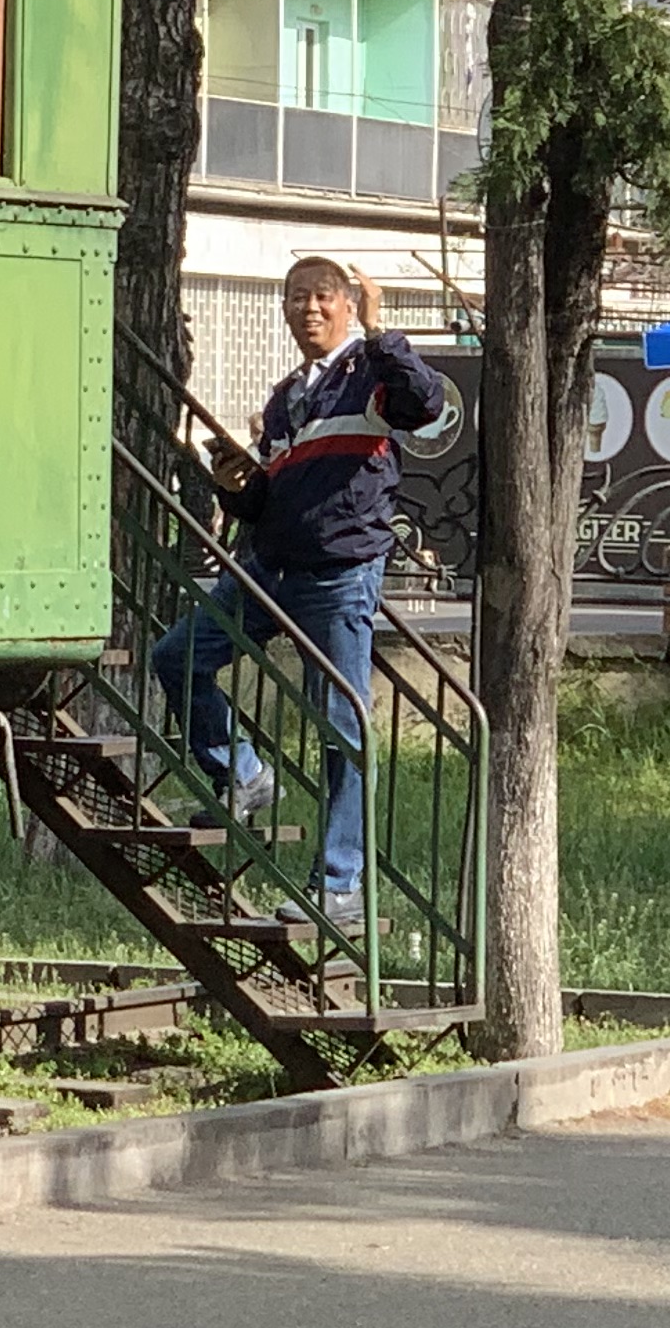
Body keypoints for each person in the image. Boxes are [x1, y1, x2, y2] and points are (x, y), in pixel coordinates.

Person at [146, 258, 453, 935]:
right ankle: (244, 774)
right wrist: (236, 482)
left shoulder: (372, 372)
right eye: (294, 300)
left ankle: (339, 887)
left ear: (346, 306)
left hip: (340, 575)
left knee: (342, 728)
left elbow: (426, 404)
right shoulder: (289, 395)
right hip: (270, 570)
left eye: (320, 299)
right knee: (177, 657)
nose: (306, 310)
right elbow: (267, 501)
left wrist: (384, 334)